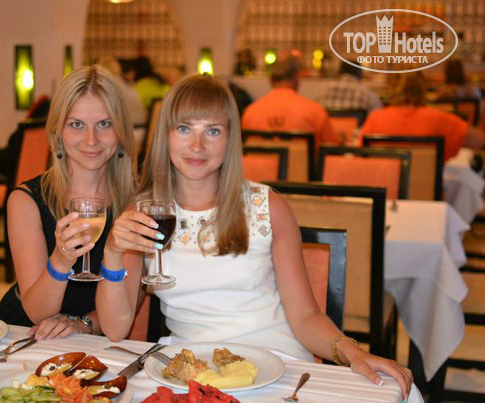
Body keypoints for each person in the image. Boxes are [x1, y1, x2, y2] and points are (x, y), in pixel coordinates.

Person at [95, 74, 414, 400]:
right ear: (165, 135)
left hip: (276, 365)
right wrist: (112, 252)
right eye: (184, 129)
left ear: (230, 138)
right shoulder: (143, 213)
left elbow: (305, 316)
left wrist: (353, 353)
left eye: (212, 131)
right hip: (192, 372)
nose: (197, 146)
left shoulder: (269, 207)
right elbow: (116, 328)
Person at [0, 66, 138, 340]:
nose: (91, 139)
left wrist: (82, 324)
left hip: (96, 339)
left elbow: (126, 312)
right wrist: (60, 260)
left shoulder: (135, 205)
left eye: (104, 124)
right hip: (28, 334)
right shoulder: (25, 201)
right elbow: (37, 312)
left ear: (120, 132)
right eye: (76, 124)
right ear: (58, 132)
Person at [360, 71, 485, 161]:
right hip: (430, 190)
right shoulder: (439, 119)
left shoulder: (375, 119)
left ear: (390, 88)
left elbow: (361, 155)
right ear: (422, 87)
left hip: (386, 189)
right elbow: (480, 140)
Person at [241, 55, 341, 148]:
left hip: (259, 163)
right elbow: (332, 148)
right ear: (297, 78)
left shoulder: (250, 113)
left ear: (270, 80)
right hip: (302, 163)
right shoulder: (315, 111)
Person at [318, 62, 382, 112]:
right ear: (360, 74)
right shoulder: (368, 95)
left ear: (339, 72)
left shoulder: (323, 92)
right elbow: (378, 116)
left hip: (330, 125)